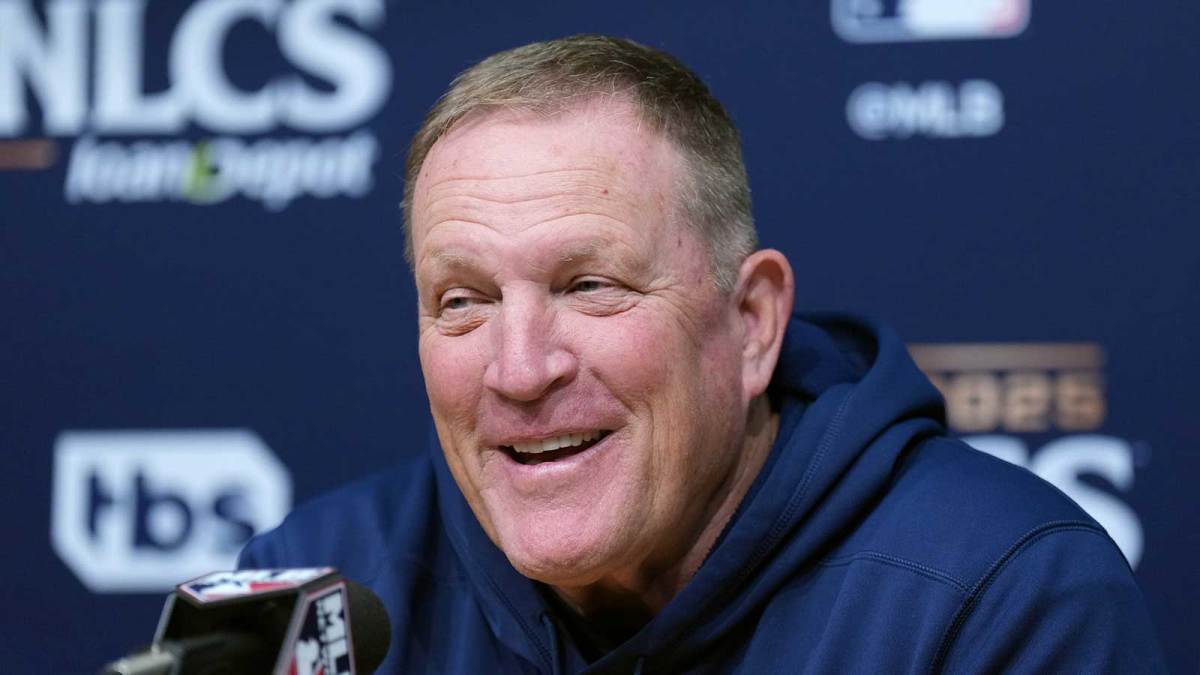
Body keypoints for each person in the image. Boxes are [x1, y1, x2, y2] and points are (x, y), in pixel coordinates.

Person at [240, 35, 1165, 673]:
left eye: (589, 285)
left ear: (752, 321)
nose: (520, 370)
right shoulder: (318, 587)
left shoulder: (1003, 597)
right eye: (462, 302)